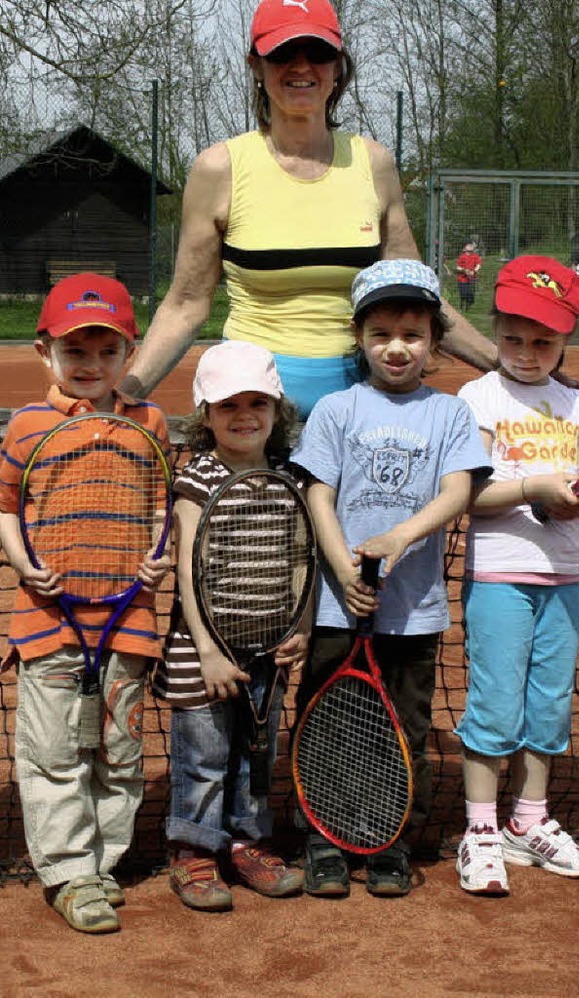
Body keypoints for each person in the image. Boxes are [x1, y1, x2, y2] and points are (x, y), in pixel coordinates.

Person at [119, 0, 498, 417]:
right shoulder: (219, 169)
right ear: (256, 67)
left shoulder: (374, 163)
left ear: (337, 67)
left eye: (318, 53)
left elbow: (420, 296)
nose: (302, 67)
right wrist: (124, 393)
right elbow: (186, 304)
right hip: (252, 414)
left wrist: (507, 366)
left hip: (359, 410)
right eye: (282, 54)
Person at [291, 259, 492, 897]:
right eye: (381, 333)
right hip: (334, 607)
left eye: (412, 332)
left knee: (402, 730)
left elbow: (458, 489)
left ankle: (388, 840)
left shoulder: (451, 413)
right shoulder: (334, 409)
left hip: (415, 611)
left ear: (434, 339)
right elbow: (319, 494)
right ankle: (323, 839)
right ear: (359, 338)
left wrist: (401, 536)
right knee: (327, 723)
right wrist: (343, 563)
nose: (396, 346)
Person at [0, 274, 172, 933]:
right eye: (76, 352)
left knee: (119, 751)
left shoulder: (150, 422)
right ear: (45, 353)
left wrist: (160, 552)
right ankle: (71, 873)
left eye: (107, 352)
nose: (90, 366)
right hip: (48, 623)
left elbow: (160, 504)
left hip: (128, 621)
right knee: (52, 753)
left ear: (129, 355)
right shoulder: (26, 425)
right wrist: (23, 563)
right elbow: (7, 508)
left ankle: (101, 862)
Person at [454, 255, 579, 897]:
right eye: (512, 338)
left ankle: (529, 821)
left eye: (543, 340)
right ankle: (481, 831)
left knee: (547, 704)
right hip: (497, 575)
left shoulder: (577, 404)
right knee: (494, 702)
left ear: (566, 338)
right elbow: (465, 495)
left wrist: (578, 500)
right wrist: (531, 487)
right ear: (495, 329)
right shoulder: (478, 396)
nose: (526, 352)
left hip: (562, 578)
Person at [153, 340, 309, 912]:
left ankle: (245, 842)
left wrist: (303, 626)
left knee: (255, 755)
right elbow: (189, 574)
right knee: (204, 758)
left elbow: (300, 558)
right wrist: (209, 650)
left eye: (257, 403)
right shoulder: (196, 480)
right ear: (205, 416)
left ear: (277, 410)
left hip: (269, 648)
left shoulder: (290, 476)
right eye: (228, 406)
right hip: (205, 654)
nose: (245, 416)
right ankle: (191, 851)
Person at [456, 242, 482, 311]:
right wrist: (464, 270)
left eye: (471, 249)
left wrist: (474, 271)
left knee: (470, 293)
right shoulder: (462, 256)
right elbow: (458, 267)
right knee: (463, 293)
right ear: (465, 249)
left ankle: (468, 305)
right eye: (469, 247)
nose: (470, 248)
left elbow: (478, 264)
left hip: (471, 278)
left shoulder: (475, 256)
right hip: (462, 278)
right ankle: (462, 305)